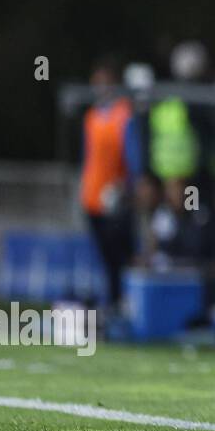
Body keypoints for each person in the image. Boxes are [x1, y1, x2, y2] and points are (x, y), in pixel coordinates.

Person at [79, 57, 138, 309]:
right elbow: (87, 156)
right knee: (103, 257)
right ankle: (109, 303)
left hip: (116, 200)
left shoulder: (123, 114)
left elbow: (133, 157)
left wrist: (127, 188)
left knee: (120, 257)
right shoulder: (91, 116)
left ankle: (121, 304)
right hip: (92, 197)